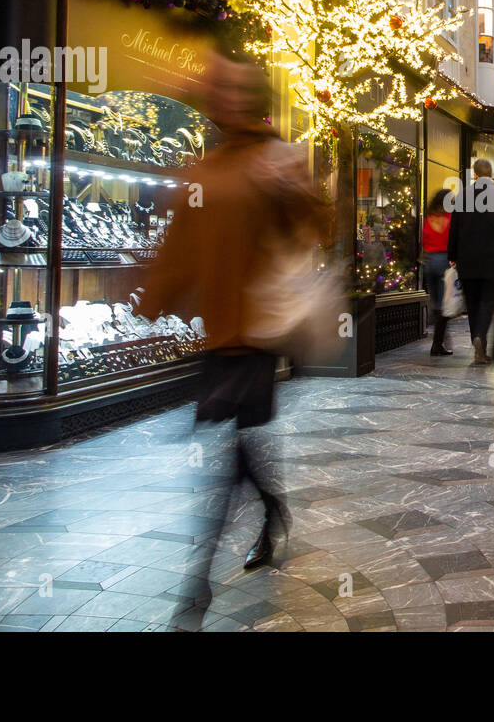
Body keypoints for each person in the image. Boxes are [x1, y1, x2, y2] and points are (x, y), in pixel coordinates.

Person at [140, 52, 330, 600]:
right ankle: (272, 509)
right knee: (237, 435)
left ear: (253, 98)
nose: (227, 98)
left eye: (237, 90)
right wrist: (153, 299)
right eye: (219, 90)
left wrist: (290, 192)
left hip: (261, 325)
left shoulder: (275, 158)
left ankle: (196, 579)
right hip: (220, 327)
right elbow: (182, 242)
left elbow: (318, 223)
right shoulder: (207, 168)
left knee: (227, 441)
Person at [447, 158, 494, 365]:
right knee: (487, 301)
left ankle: (478, 343)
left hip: (467, 259)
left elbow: (454, 227)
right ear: (491, 174)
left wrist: (452, 255)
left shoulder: (463, 195)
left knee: (473, 302)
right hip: (493, 259)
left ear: (474, 175)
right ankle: (480, 338)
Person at [422, 189, 454, 357]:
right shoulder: (450, 218)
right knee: (444, 305)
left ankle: (440, 340)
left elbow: (424, 241)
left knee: (436, 303)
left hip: (429, 262)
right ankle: (437, 344)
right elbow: (453, 242)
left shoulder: (428, 219)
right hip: (444, 263)